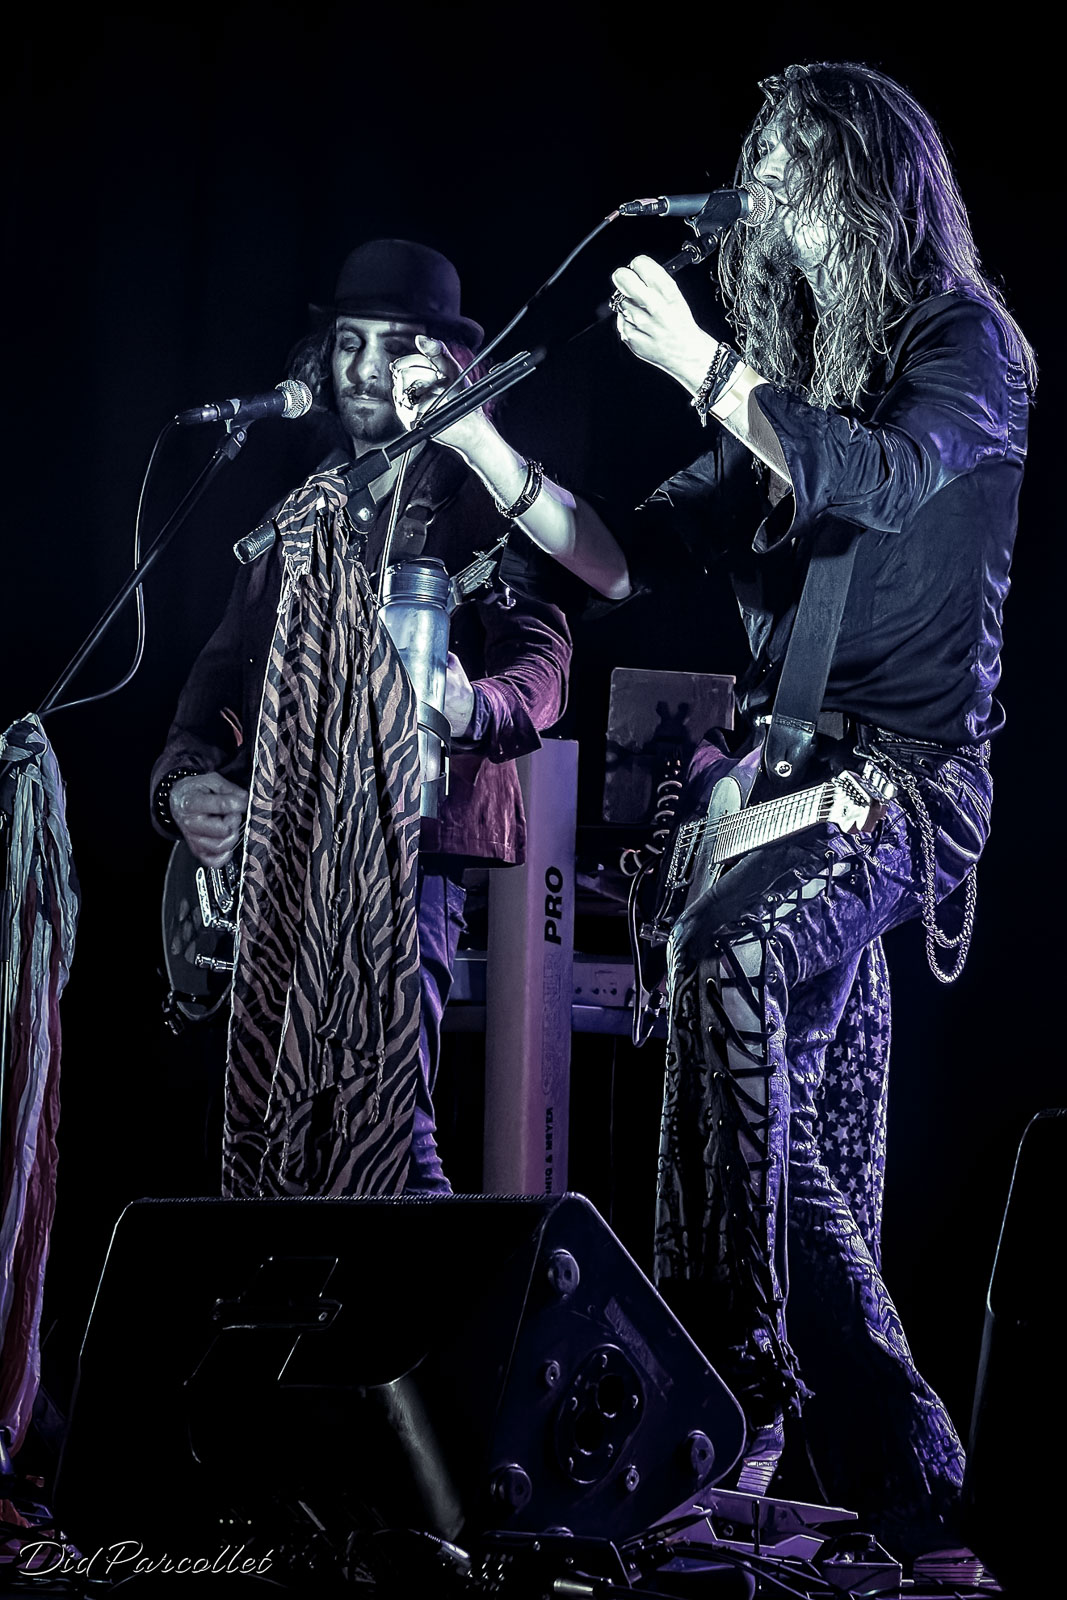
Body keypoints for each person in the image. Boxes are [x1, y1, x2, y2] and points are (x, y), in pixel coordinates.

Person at [389, 63, 1034, 1563]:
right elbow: (622, 559)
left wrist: (701, 364)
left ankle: (729, 1385)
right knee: (796, 1161)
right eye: (762, 159)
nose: (769, 186)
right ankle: (916, 1485)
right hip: (784, 795)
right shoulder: (783, 384)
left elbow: (880, 479)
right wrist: (480, 447)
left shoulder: (964, 345)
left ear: (872, 180)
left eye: (799, 158)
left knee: (725, 960)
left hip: (905, 787)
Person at [151, 239, 572, 1196]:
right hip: (289, 847)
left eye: (395, 344)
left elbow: (544, 660)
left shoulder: (479, 494)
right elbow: (214, 688)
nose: (366, 368)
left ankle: (427, 1291)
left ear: (443, 361)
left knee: (389, 1122)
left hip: (409, 844)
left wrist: (473, 705)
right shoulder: (301, 514)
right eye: (349, 342)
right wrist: (184, 787)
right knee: (277, 1128)